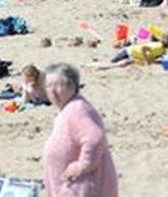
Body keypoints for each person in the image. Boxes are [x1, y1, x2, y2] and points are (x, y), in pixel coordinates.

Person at [42, 63, 118, 197]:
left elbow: (95, 138)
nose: (53, 91)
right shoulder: (69, 107)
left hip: (81, 187)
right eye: (49, 86)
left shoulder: (78, 109)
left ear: (74, 86)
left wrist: (83, 165)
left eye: (60, 85)